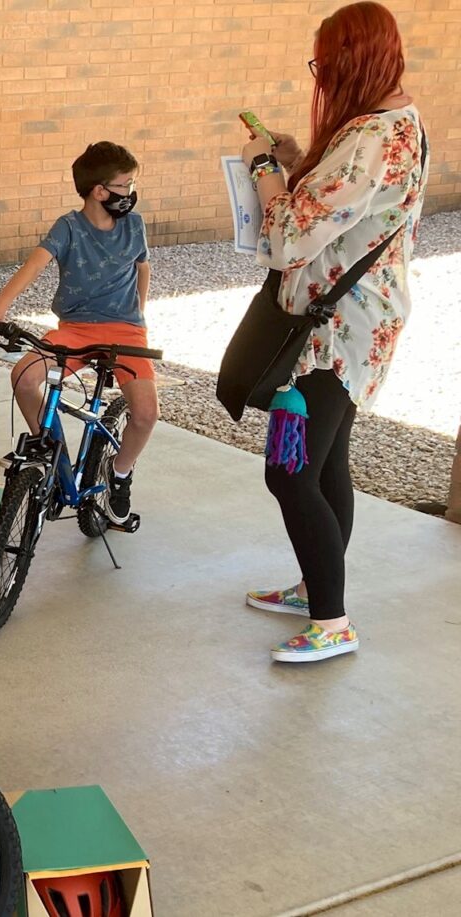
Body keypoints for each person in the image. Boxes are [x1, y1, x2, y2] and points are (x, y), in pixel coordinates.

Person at [240, 1, 428, 662]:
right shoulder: (391, 119)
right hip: (349, 321)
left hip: (331, 334)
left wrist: (263, 169)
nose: (320, 78)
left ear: (355, 58)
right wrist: (297, 162)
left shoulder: (373, 135)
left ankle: (332, 621)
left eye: (324, 65)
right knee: (324, 464)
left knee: (289, 472)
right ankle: (314, 590)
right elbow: (336, 207)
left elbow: (290, 236)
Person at [0, 141, 158, 524]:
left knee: (145, 414)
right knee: (24, 376)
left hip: (126, 331)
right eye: (125, 184)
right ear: (100, 191)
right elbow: (34, 265)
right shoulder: (69, 227)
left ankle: (120, 473)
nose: (131, 191)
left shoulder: (134, 226)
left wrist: (139, 315)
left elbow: (142, 267)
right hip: (75, 328)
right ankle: (50, 449)